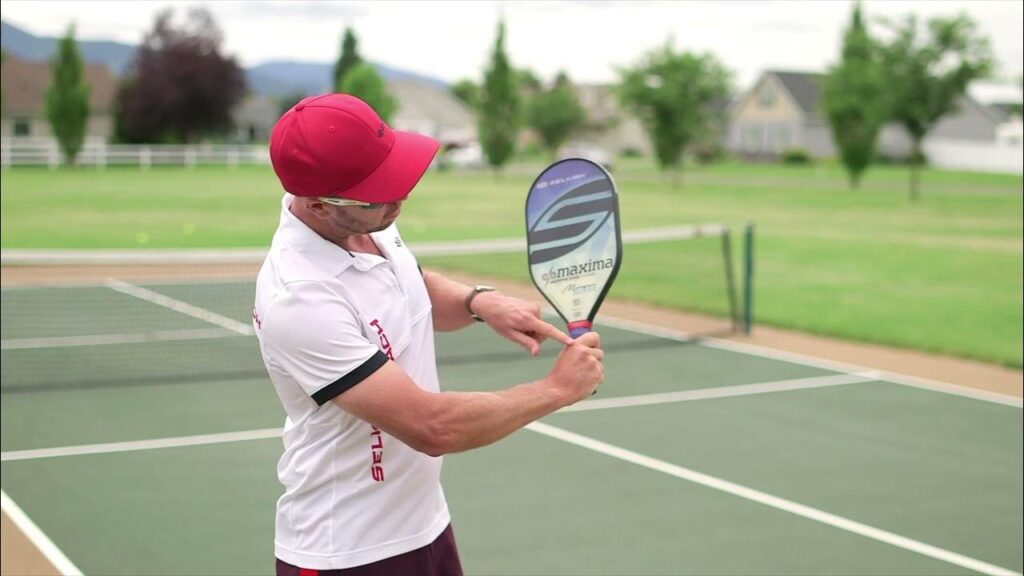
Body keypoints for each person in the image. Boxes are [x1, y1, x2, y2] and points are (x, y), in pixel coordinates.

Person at [253, 93, 605, 576]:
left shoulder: (365, 220)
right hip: (348, 552)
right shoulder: (300, 298)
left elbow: (407, 285)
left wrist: (476, 302)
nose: (399, 198)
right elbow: (432, 427)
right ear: (318, 205)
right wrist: (558, 389)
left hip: (426, 526)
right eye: (381, 194)